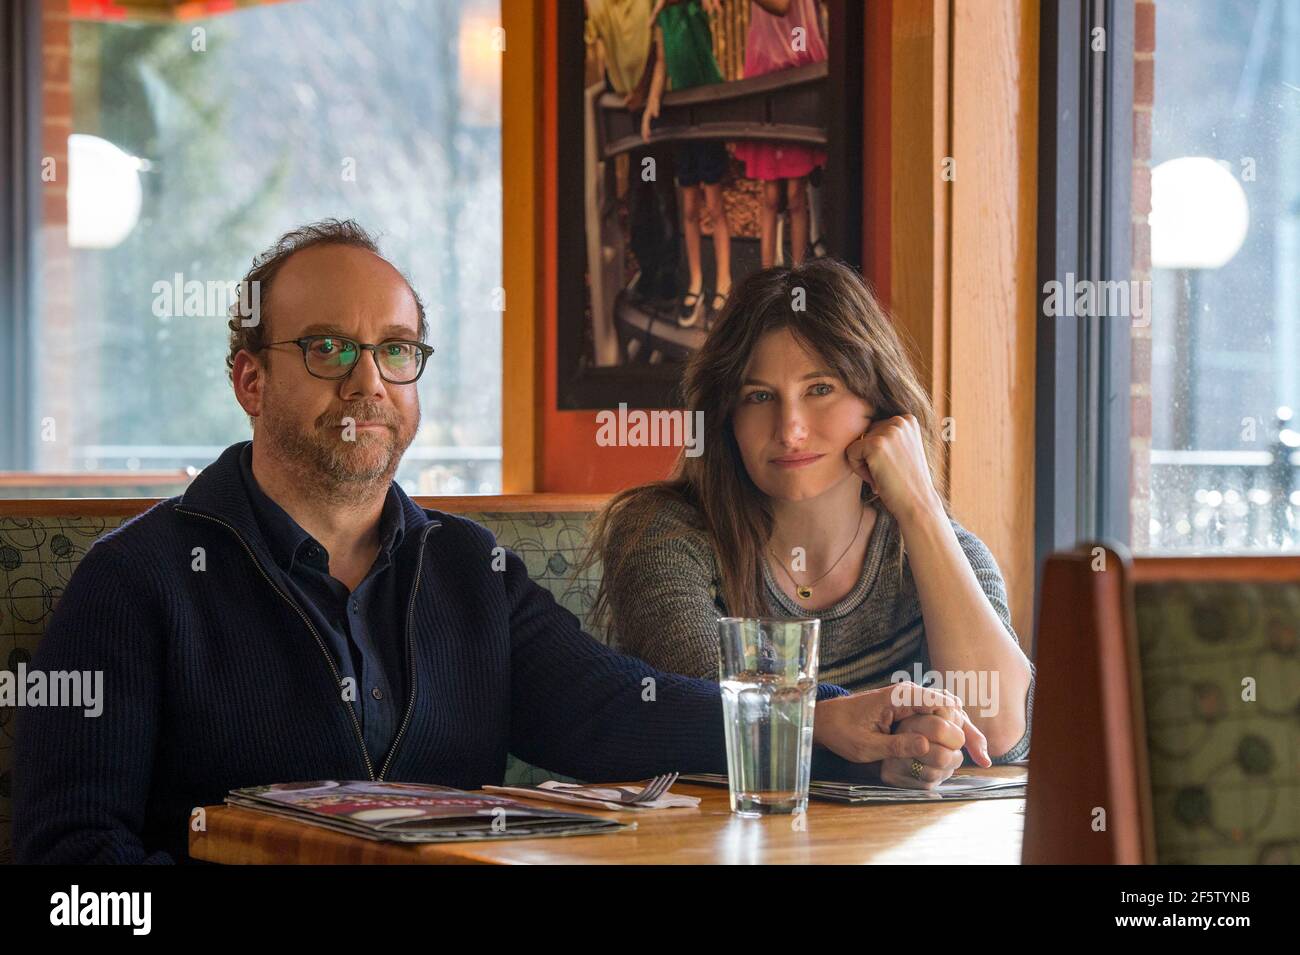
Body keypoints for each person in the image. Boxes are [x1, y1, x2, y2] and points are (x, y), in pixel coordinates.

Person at [13, 221, 987, 863]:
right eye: (327, 348)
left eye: (395, 350)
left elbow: (613, 708)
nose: (368, 383)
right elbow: (68, 863)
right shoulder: (136, 584)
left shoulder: (468, 569)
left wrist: (819, 721)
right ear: (249, 380)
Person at [587, 257, 1034, 788]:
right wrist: (876, 751)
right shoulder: (660, 534)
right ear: (728, 420)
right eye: (759, 397)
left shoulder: (940, 547)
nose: (790, 429)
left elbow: (999, 733)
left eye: (820, 388)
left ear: (879, 404)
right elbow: (717, 713)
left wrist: (919, 506)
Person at [642, 0, 733, 328]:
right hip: (681, 114)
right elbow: (663, 63)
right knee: (690, 206)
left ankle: (724, 280)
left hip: (706, 109)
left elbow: (715, 7)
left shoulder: (694, 5)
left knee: (713, 202)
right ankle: (695, 280)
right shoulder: (662, 16)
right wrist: (652, 100)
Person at [733, 0, 829, 267]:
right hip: (767, 71)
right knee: (772, 194)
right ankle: (766, 279)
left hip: (796, 67)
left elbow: (782, 5)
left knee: (796, 192)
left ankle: (798, 277)